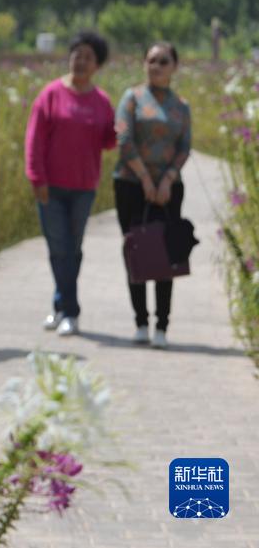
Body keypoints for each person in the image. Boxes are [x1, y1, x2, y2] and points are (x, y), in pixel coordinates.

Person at [25, 31, 116, 337]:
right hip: (50, 187)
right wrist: (36, 177)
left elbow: (108, 140)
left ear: (97, 65)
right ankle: (70, 311)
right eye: (77, 55)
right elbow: (34, 140)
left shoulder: (102, 101)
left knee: (72, 249)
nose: (81, 61)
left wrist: (123, 128)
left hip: (84, 187)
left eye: (88, 57)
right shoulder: (50, 95)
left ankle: (60, 306)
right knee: (58, 247)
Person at [113, 42, 191, 349]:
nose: (156, 66)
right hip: (131, 184)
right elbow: (123, 138)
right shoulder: (132, 98)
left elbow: (185, 146)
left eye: (163, 61)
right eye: (151, 60)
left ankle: (162, 325)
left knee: (166, 252)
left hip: (169, 188)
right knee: (136, 249)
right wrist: (145, 179)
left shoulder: (181, 105)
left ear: (174, 67)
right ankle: (141, 322)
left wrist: (167, 179)